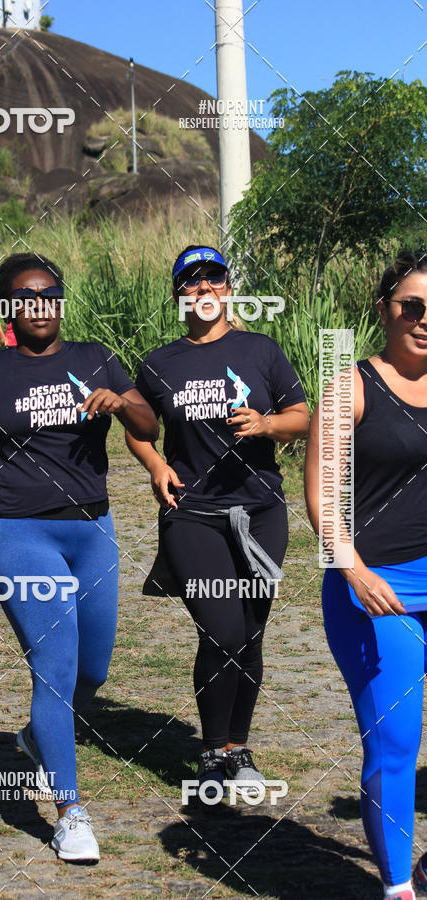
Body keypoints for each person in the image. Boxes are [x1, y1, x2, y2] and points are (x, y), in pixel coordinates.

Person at [0, 252, 158, 862]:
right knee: (53, 667)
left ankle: (35, 737)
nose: (39, 305)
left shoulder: (93, 357)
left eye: (49, 293)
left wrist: (120, 403)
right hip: (22, 534)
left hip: (93, 530)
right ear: (6, 308)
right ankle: (70, 812)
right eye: (25, 296)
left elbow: (148, 424)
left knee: (93, 673)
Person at [126, 244, 308, 801]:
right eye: (191, 283)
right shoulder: (160, 363)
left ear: (228, 289)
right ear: (179, 293)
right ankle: (210, 752)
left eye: (213, 281)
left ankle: (236, 749)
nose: (203, 291)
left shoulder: (261, 350)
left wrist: (267, 423)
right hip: (194, 515)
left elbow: (304, 418)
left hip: (261, 513)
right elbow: (138, 426)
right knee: (222, 629)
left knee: (250, 635)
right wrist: (156, 465)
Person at [305, 250, 427, 900]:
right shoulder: (350, 385)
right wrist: (351, 568)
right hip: (378, 590)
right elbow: (323, 493)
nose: (425, 320)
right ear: (384, 309)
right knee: (395, 746)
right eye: (413, 306)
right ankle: (398, 888)